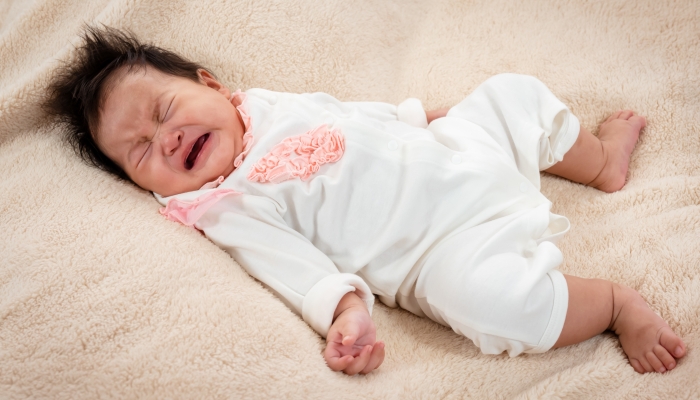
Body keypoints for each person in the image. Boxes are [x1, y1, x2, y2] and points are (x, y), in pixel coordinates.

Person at [45, 26, 686, 376]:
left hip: (455, 153)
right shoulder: (225, 204)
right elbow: (288, 265)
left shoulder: (264, 105)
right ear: (144, 186)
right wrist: (344, 310)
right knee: (493, 305)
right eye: (141, 150)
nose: (167, 137)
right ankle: (611, 304)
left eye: (165, 110)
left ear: (212, 85)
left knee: (511, 94)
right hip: (440, 252)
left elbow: (345, 115)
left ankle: (601, 162)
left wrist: (413, 116)